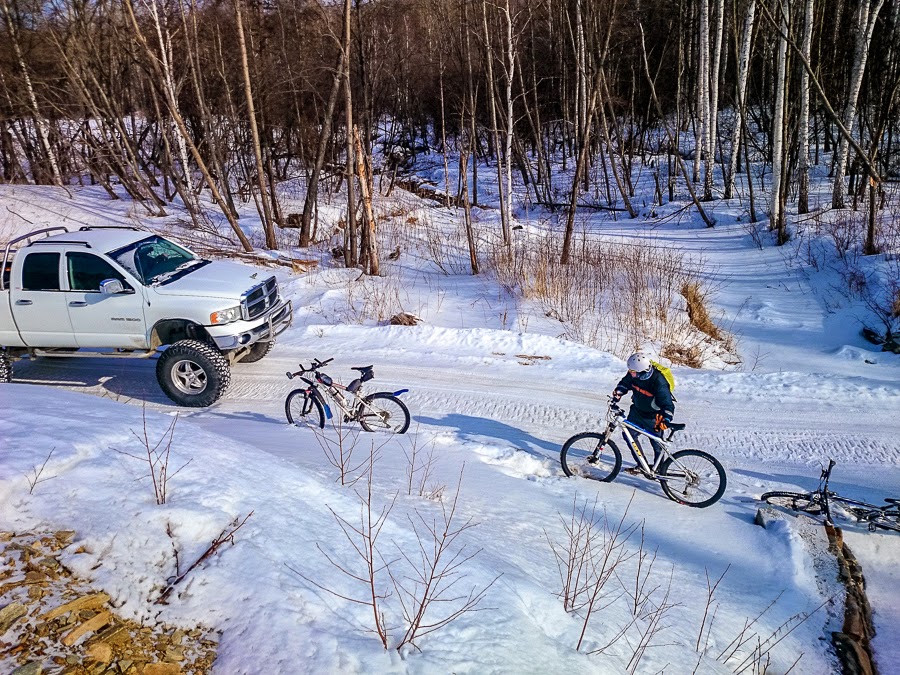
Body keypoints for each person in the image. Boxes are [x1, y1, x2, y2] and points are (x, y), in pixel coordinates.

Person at [612, 353, 675, 470]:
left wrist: (667, 418)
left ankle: (660, 469)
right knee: (629, 435)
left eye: (633, 372)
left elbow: (667, 403)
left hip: (654, 418)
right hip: (636, 413)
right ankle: (642, 465)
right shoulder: (634, 374)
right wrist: (619, 391)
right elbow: (625, 383)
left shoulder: (658, 381)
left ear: (642, 372)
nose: (630, 373)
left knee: (657, 445)